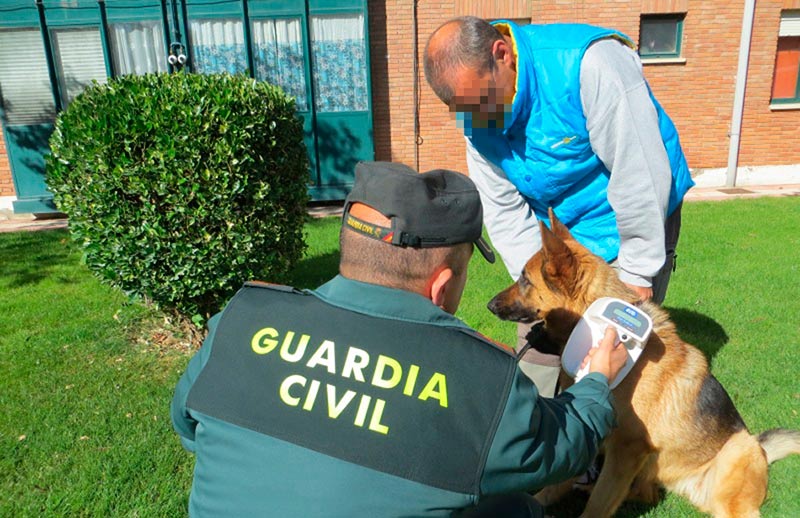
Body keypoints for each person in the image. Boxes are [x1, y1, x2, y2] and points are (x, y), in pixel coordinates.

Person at [171, 161, 629, 517]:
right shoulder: (479, 377)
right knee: (517, 510)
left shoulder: (242, 316)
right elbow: (559, 450)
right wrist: (595, 383)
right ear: (442, 284)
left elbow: (188, 425)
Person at [424, 16, 695, 396]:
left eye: (481, 102)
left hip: (625, 220)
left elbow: (640, 176)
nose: (477, 120)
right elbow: (503, 210)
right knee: (539, 365)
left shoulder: (592, 65)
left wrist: (636, 275)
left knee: (615, 361)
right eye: (464, 109)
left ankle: (610, 444)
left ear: (502, 55)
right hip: (558, 232)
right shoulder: (476, 118)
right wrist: (534, 281)